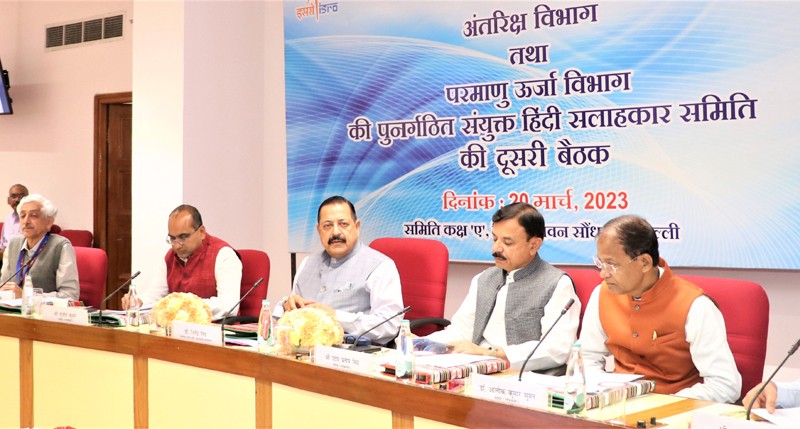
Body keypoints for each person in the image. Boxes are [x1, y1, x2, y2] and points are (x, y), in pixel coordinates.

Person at [579, 215, 741, 403]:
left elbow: (725, 385)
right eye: (600, 262)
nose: (603, 273)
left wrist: (664, 406)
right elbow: (587, 358)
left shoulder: (695, 305)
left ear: (645, 262)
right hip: (617, 405)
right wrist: (602, 394)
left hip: (676, 408)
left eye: (612, 265)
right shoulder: (602, 295)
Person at [424, 202, 580, 373]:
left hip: (524, 376)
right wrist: (421, 343)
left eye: (507, 242)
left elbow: (557, 349)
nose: (496, 248)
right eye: (495, 239)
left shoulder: (557, 284)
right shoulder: (484, 279)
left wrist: (491, 354)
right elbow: (461, 331)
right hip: (475, 370)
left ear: (534, 245)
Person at [273, 196, 403, 345]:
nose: (335, 232)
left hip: (354, 352)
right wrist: (288, 305)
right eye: (327, 225)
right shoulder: (308, 263)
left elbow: (388, 325)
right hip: (305, 351)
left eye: (343, 224)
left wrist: (334, 316)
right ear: (319, 230)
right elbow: (293, 319)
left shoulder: (380, 266)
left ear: (357, 227)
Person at [122, 205, 242, 320]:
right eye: (172, 238)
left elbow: (229, 305)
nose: (177, 245)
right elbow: (156, 294)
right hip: (177, 329)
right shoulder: (170, 257)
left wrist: (186, 304)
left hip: (214, 329)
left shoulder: (223, 255)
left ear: (201, 232)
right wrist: (139, 301)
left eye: (183, 237)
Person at [0, 194, 79, 300]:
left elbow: (70, 295)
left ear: (49, 222)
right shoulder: (13, 244)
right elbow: (4, 285)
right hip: (11, 309)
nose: (26, 221)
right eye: (22, 216)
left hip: (43, 310)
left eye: (33, 216)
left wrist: (28, 296)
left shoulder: (61, 246)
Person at [0, 184, 29, 265]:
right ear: (8, 200)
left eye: (22, 196)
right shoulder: (8, 218)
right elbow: (3, 243)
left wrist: (7, 253)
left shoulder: (32, 219)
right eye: (13, 196)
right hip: (4, 259)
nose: (17, 200)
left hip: (21, 259)